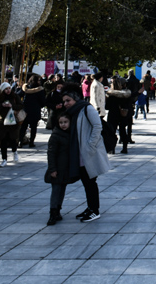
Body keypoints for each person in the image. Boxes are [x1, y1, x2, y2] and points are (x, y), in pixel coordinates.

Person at [62, 86, 110, 223]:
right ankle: (90, 208)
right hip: (80, 153)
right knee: (86, 182)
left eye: (68, 100)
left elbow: (97, 126)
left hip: (88, 153)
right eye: (64, 101)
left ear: (75, 99)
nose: (66, 103)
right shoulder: (72, 112)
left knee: (90, 182)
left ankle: (95, 210)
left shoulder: (86, 108)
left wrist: (90, 145)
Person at [45, 112, 73, 226]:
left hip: (65, 168)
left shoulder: (70, 134)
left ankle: (58, 210)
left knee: (62, 190)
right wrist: (52, 169)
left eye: (65, 122)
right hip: (57, 168)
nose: (63, 125)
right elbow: (51, 153)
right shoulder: (56, 135)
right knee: (56, 191)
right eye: (61, 122)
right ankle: (52, 212)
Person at [0, 82, 23, 167]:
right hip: (3, 122)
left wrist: (12, 106)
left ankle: (15, 152)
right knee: (3, 140)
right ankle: (4, 159)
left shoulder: (15, 96)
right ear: (3, 90)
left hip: (13, 121)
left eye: (9, 88)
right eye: (6, 89)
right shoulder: (0, 98)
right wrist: (2, 105)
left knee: (12, 139)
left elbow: (21, 106)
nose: (8, 90)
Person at [105, 78, 132, 154]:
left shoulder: (111, 95)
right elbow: (129, 105)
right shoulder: (126, 94)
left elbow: (107, 107)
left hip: (113, 115)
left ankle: (112, 149)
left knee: (111, 132)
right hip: (122, 115)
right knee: (123, 131)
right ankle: (124, 148)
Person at [18, 75, 46, 148]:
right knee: (33, 128)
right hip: (35, 111)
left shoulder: (25, 88)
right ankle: (31, 142)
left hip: (25, 111)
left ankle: (20, 141)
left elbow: (18, 95)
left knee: (23, 127)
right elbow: (43, 102)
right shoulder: (40, 90)